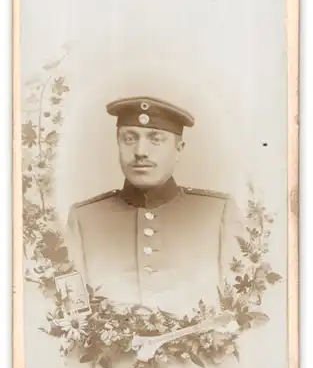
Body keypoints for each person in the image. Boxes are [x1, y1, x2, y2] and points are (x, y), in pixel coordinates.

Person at [65, 96, 244, 318]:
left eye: (155, 139)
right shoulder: (83, 220)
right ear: (118, 144)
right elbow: (71, 320)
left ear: (179, 149)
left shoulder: (218, 215)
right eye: (129, 139)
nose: (140, 151)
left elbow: (242, 313)